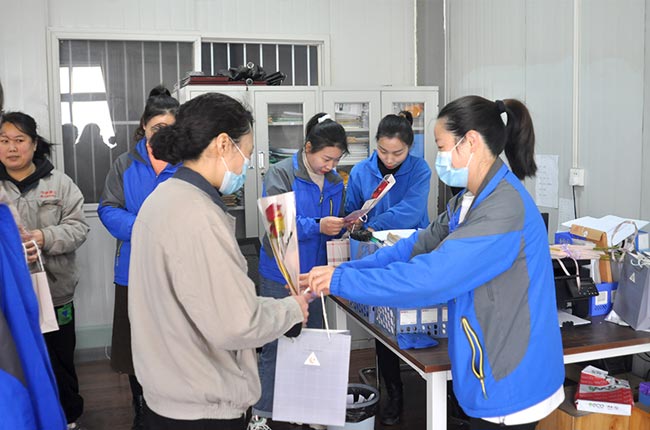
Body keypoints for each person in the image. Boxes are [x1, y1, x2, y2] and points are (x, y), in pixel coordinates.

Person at [304, 96, 565, 430]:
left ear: (470, 142)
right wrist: (344, 271)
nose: (439, 157)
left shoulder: (503, 209)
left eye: (442, 147)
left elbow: (430, 277)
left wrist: (341, 282)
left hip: (512, 379)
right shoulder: (468, 201)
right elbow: (415, 246)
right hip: (491, 365)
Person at [128, 92, 309, 430]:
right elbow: (237, 323)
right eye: (248, 154)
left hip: (167, 391)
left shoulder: (162, 199)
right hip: (202, 405)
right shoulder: (198, 215)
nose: (247, 166)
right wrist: (292, 310)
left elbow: (205, 300)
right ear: (224, 144)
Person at [249, 112, 349, 430]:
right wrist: (319, 225)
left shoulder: (335, 182)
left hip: (315, 275)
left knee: (311, 342)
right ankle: (262, 413)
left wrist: (345, 225)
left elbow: (333, 226)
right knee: (277, 342)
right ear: (308, 148)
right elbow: (278, 225)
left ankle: (305, 408)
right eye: (326, 158)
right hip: (280, 272)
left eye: (336, 160)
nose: (330, 166)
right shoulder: (281, 173)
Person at [0, 111, 90, 430]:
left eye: (19, 140)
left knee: (60, 357)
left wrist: (43, 237)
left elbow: (79, 227)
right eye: (4, 140)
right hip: (9, 298)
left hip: (56, 292)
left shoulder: (59, 183)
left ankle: (69, 416)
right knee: (20, 360)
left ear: (34, 144)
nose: (12, 148)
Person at [97, 85, 180, 430]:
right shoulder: (125, 164)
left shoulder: (187, 162)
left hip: (177, 271)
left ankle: (173, 409)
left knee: (174, 344)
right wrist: (144, 227)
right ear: (144, 125)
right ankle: (141, 409)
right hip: (133, 271)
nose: (163, 134)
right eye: (157, 127)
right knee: (135, 349)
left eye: (170, 128)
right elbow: (108, 208)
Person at [345, 110, 431, 426]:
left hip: (413, 257)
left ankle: (439, 388)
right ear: (375, 144)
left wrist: (371, 224)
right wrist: (354, 224)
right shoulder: (360, 172)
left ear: (410, 147)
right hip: (376, 259)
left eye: (398, 153)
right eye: (383, 151)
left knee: (422, 321)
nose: (390, 159)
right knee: (384, 327)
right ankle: (393, 393)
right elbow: (351, 211)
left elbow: (411, 212)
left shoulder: (420, 170)